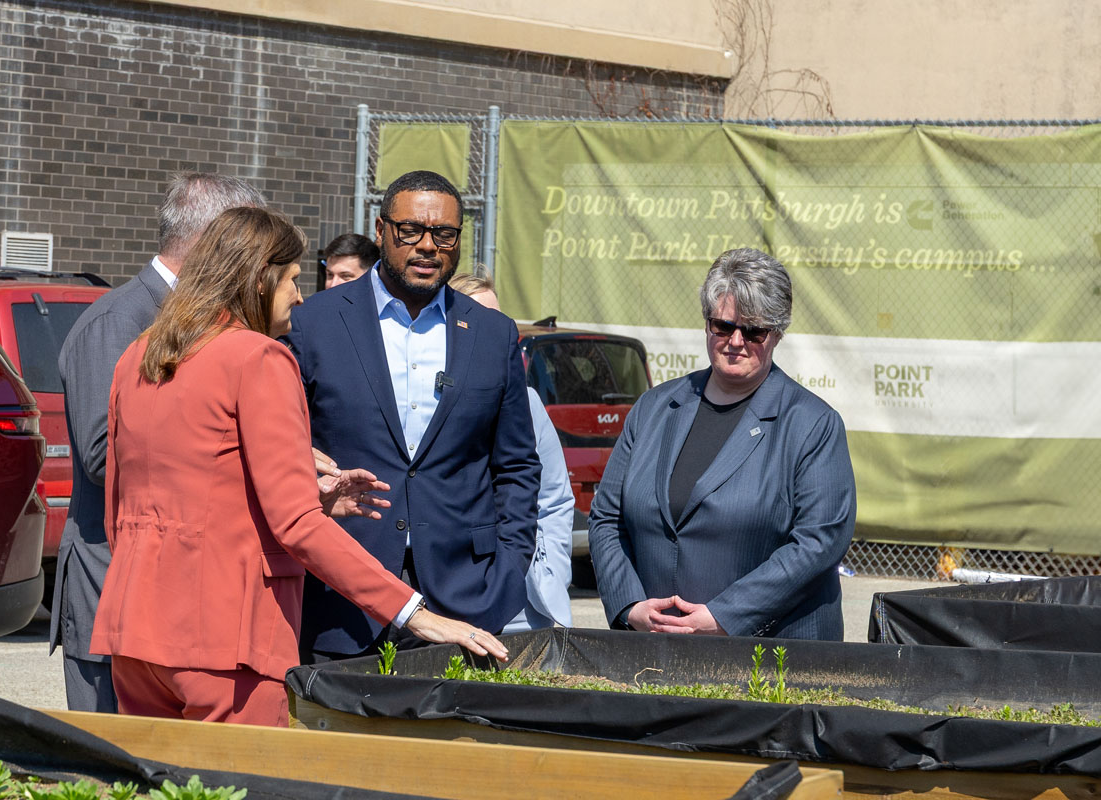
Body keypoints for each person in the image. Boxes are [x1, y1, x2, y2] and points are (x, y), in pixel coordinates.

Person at [90, 206, 507, 726]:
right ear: (258, 279)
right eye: (290, 280)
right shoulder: (259, 358)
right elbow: (296, 524)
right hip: (226, 641)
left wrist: (313, 502)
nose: (300, 296)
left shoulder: (138, 354)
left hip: (134, 631)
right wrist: (415, 614)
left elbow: (125, 506)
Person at [285, 170, 540, 662]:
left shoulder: (493, 333)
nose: (428, 246)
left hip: (466, 600)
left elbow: (516, 467)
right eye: (411, 231)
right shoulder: (312, 324)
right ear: (381, 232)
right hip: (340, 600)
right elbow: (281, 452)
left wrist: (506, 574)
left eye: (444, 234)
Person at [51, 173, 266, 713]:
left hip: (165, 597)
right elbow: (102, 455)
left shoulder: (196, 320)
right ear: (214, 239)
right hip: (112, 591)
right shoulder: (120, 319)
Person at [589, 248, 855, 641]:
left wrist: (725, 617)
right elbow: (607, 519)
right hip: (655, 652)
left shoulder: (812, 424)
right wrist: (630, 606)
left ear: (777, 333)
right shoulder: (654, 409)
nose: (736, 341)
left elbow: (819, 542)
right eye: (722, 326)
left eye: (754, 331)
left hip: (769, 661)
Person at [448, 273, 573, 632]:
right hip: (452, 600)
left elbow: (554, 498)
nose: (494, 332)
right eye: (479, 317)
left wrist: (546, 574)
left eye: (500, 321)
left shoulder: (528, 401)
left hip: (523, 608)